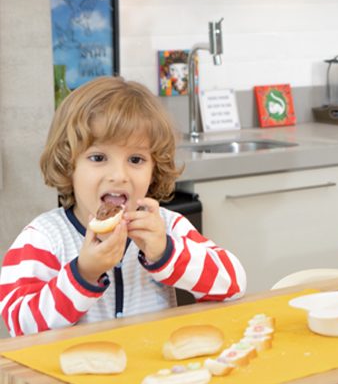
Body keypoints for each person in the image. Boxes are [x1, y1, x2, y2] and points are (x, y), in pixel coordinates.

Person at [0, 77, 247, 337]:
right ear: (68, 164)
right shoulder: (44, 238)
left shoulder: (167, 227)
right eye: (98, 157)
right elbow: (19, 323)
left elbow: (233, 284)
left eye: (136, 159)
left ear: (154, 169)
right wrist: (84, 273)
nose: (119, 175)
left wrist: (167, 253)